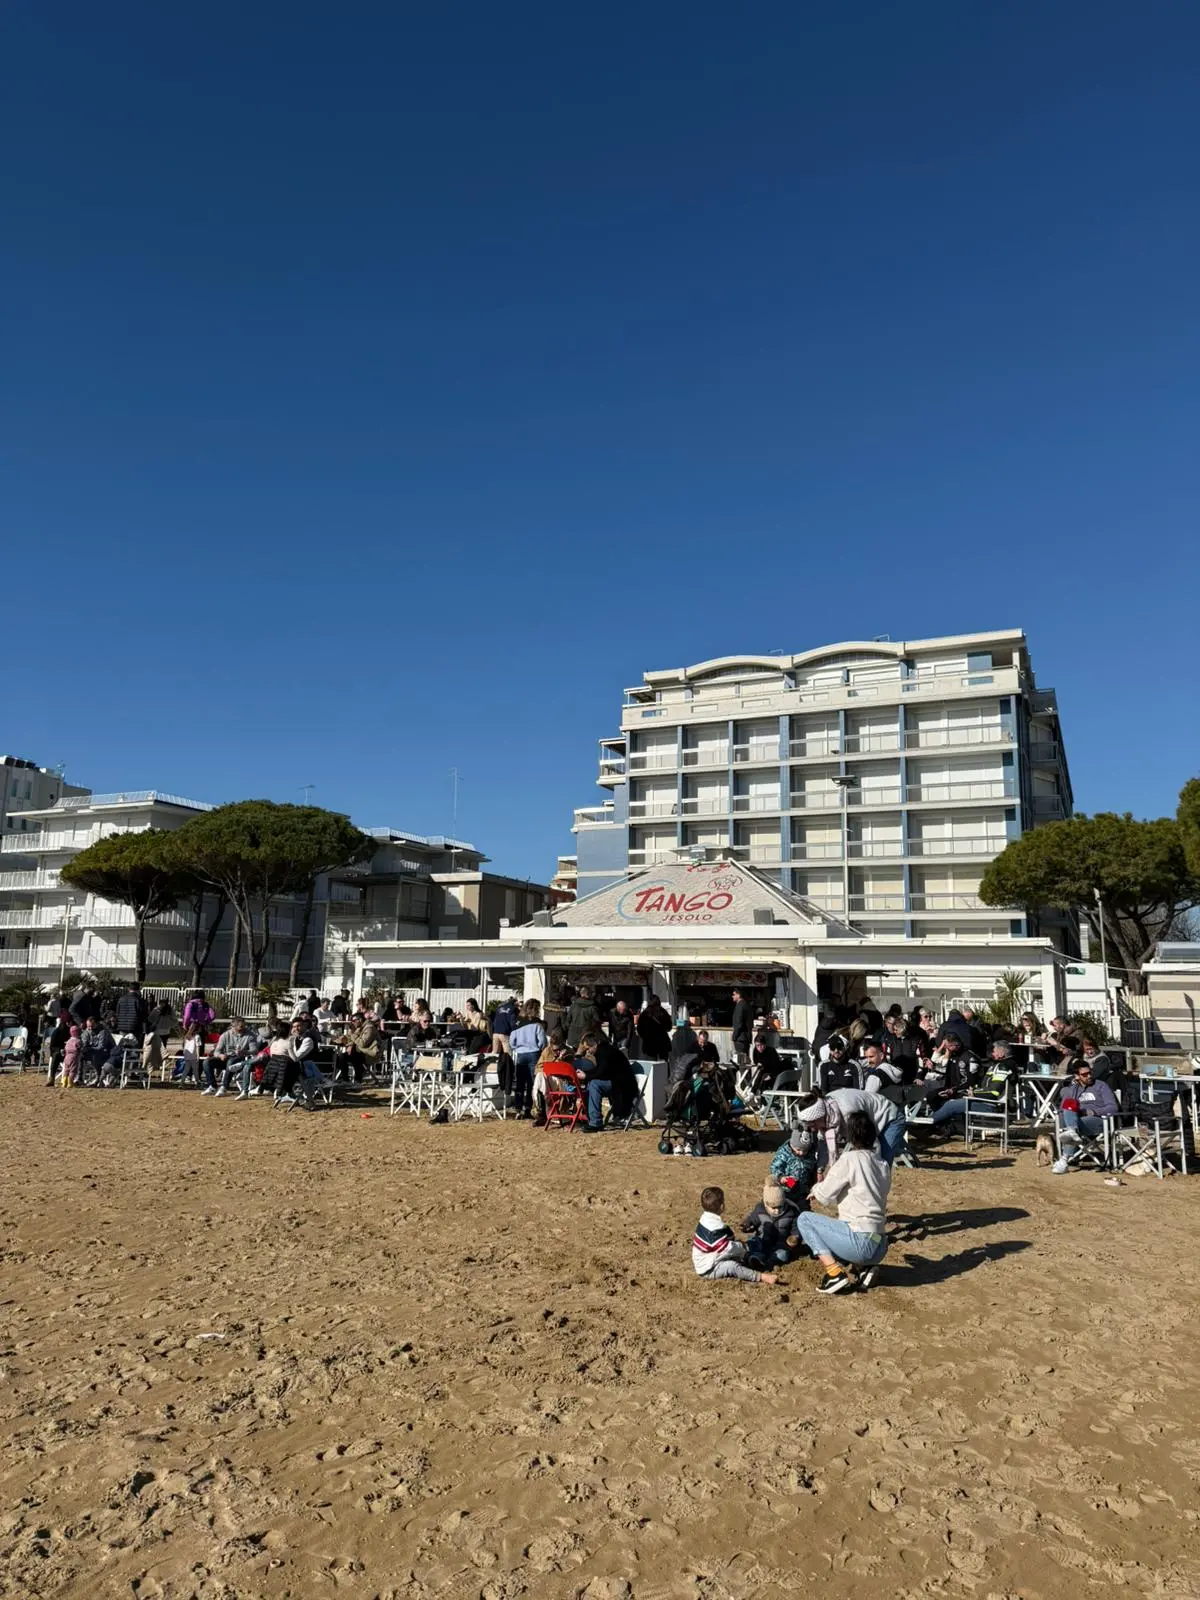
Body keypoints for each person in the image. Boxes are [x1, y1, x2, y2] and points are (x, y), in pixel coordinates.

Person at [796, 1110, 892, 1293]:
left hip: (860, 1242)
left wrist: (814, 1191)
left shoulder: (850, 1159)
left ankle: (834, 1274)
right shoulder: (883, 1164)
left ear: (850, 1135)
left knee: (805, 1220)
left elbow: (826, 1194)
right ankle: (865, 1269)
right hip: (880, 1243)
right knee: (844, 1224)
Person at [796, 1086, 908, 1167]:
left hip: (890, 1118)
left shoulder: (848, 1113)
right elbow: (824, 1143)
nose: (813, 1129)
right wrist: (820, 1169)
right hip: (872, 1121)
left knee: (881, 1164)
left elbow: (872, 1143)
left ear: (820, 1116)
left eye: (812, 1124)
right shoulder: (828, 1110)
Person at [692, 1186, 778, 1285]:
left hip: (709, 1257)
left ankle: (750, 1257)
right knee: (731, 1266)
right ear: (722, 1206)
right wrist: (742, 1246)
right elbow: (728, 1249)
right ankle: (761, 1276)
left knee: (739, 1251)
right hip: (708, 1269)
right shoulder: (715, 1228)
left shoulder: (705, 1219)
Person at [1052, 1058, 1120, 1173]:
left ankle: (1064, 1159)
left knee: (1071, 1126)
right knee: (1069, 1106)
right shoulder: (1073, 1089)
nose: (1089, 1076)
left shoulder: (1101, 1086)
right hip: (1077, 1120)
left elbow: (1113, 1107)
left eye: (1090, 1073)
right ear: (1077, 1076)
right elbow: (1063, 1109)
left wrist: (1093, 1112)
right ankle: (1072, 1132)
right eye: (1084, 1074)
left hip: (1098, 1120)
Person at [741, 1180, 801, 1271]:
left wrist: (795, 1237)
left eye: (780, 1207)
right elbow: (753, 1220)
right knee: (752, 1242)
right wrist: (747, 1225)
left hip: (781, 1244)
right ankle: (756, 1257)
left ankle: (769, 1262)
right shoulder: (760, 1209)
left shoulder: (792, 1212)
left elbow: (796, 1228)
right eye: (773, 1208)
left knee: (783, 1255)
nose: (777, 1211)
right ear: (766, 1204)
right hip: (762, 1240)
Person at [509, 1001, 548, 1119]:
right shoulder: (537, 1023)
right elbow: (542, 1041)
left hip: (520, 1054)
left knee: (520, 1083)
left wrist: (518, 1048)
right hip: (534, 1054)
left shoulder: (517, 1022)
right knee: (533, 1083)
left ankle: (518, 1109)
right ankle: (530, 1108)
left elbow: (511, 1042)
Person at [768, 1125, 820, 1203]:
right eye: (798, 1149)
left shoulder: (811, 1153)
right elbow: (774, 1167)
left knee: (803, 1208)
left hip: (804, 1189)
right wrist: (780, 1177)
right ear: (792, 1145)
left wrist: (814, 1183)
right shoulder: (784, 1153)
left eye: (805, 1150)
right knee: (788, 1207)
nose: (801, 1153)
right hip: (787, 1188)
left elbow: (813, 1168)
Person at [207, 1018, 258, 1096]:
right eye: (240, 1027)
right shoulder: (225, 1035)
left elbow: (254, 1050)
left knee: (231, 1061)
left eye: (243, 1026)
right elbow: (217, 1051)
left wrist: (244, 1052)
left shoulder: (250, 1035)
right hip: (226, 1058)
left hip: (241, 1059)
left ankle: (224, 1087)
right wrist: (220, 1055)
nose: (242, 1029)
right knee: (207, 1062)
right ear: (233, 1026)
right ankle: (212, 1086)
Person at [560, 986, 600, 1052]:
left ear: (581, 994)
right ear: (588, 994)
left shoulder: (573, 1006)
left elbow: (568, 1021)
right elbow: (596, 1022)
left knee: (574, 1057)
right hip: (586, 1037)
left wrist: (571, 1029)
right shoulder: (593, 1008)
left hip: (573, 1037)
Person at [636, 996, 672, 1061]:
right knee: (664, 1065)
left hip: (649, 1044)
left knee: (652, 1066)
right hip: (662, 1042)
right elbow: (669, 1027)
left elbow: (639, 1029)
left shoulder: (644, 1014)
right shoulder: (663, 1012)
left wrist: (645, 1037)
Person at [749, 1030, 783, 1095]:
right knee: (761, 1074)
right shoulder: (755, 1051)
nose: (759, 1048)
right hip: (764, 1071)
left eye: (760, 1045)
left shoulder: (771, 1051)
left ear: (764, 1044)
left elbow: (777, 1066)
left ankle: (756, 1092)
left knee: (763, 1075)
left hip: (773, 1073)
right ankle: (753, 1092)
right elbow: (755, 1060)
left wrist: (771, 1075)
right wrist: (757, 1063)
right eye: (757, 1046)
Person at [730, 988, 753, 1067]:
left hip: (740, 1038)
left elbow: (739, 1024)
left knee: (741, 1063)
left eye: (733, 994)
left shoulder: (740, 1005)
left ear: (738, 995)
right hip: (746, 1037)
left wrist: (734, 1036)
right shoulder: (747, 1005)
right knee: (745, 1062)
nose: (732, 996)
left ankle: (743, 1078)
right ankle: (747, 1078)